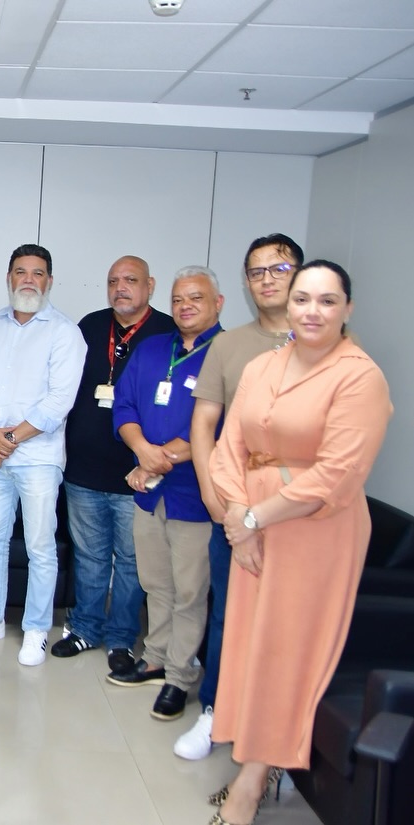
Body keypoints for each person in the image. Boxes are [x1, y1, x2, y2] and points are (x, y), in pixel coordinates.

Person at [206, 260, 391, 825]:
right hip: (251, 523)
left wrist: (253, 519)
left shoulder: (359, 376)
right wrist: (238, 518)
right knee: (249, 648)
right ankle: (254, 761)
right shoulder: (264, 365)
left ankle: (251, 783)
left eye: (327, 301)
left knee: (286, 655)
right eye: (303, 299)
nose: (313, 311)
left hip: (314, 531)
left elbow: (337, 474)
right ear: (288, 305)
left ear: (347, 309)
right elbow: (229, 448)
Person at [174, 234, 303, 760]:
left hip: (302, 511)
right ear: (247, 283)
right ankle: (216, 711)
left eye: (279, 268)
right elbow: (204, 424)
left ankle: (283, 731)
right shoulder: (229, 346)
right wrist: (213, 494)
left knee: (290, 621)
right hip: (235, 506)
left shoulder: (327, 342)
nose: (267, 279)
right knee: (229, 613)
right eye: (256, 271)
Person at [108, 267, 224, 723]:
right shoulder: (154, 348)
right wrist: (142, 451)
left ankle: (179, 674)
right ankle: (155, 658)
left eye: (196, 297)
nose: (185, 306)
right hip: (148, 492)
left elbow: (223, 424)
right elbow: (123, 405)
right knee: (156, 582)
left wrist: (158, 460)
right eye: (178, 300)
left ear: (218, 303)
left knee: (190, 591)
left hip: (195, 495)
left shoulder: (227, 354)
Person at [0, 244, 86, 666]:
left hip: (38, 459)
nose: (28, 280)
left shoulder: (65, 333)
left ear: (49, 280)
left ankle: (36, 629)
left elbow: (59, 403)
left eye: (37, 273)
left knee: (40, 546)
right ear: (9, 278)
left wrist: (8, 439)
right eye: (20, 271)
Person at [53, 255, 176, 675]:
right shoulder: (90, 326)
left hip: (137, 474)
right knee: (89, 557)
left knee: (130, 560)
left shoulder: (166, 333)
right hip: (84, 470)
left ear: (150, 285)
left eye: (130, 280)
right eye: (113, 281)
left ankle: (121, 637)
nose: (120, 288)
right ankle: (84, 628)